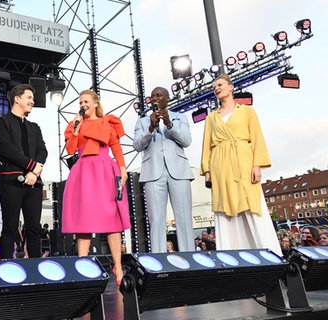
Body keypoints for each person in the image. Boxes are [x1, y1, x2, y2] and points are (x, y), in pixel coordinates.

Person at [200, 74, 281, 256]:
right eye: (214, 87)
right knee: (225, 208)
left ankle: (271, 254)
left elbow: (257, 138)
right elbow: (207, 146)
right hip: (220, 165)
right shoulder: (211, 118)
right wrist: (207, 170)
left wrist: (257, 165)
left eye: (220, 85)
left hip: (243, 160)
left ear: (231, 88)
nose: (217, 88)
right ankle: (231, 257)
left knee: (251, 203)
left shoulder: (247, 111)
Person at [62, 89, 130, 285]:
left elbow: (116, 147)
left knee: (112, 220)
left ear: (94, 103)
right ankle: (83, 266)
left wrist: (123, 169)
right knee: (84, 221)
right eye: (80, 102)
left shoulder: (107, 122)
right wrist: (75, 130)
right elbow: (70, 149)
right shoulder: (76, 124)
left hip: (105, 170)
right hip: (84, 171)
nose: (82, 105)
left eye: (86, 101)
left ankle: (118, 267)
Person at [133, 86, 195, 253]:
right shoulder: (143, 121)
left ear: (167, 98)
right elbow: (137, 146)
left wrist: (169, 123)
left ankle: (189, 257)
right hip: (153, 173)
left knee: (184, 219)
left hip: (179, 172)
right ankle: (159, 260)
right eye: (152, 96)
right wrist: (150, 128)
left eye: (159, 95)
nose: (155, 98)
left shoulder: (179, 117)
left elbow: (186, 141)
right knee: (156, 220)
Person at [0, 84, 47, 259]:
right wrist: (32, 166)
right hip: (10, 182)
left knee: (34, 228)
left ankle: (36, 270)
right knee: (9, 227)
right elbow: (7, 149)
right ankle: (6, 268)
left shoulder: (35, 127)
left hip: (34, 183)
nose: (32, 101)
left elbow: (42, 151)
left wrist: (34, 173)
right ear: (17, 98)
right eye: (29, 97)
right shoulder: (1, 123)